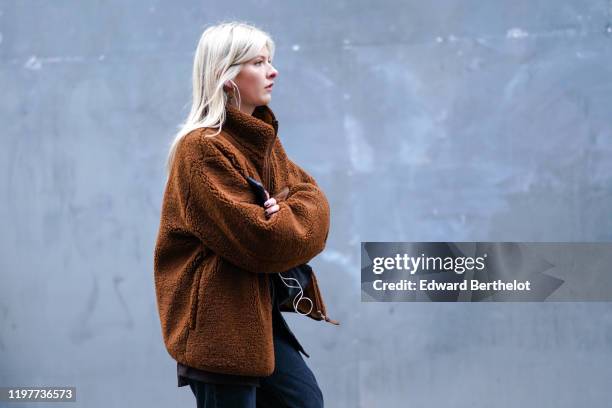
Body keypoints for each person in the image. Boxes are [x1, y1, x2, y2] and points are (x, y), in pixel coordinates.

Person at [153, 21, 339, 408]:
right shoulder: (201, 150)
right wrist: (283, 216)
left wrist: (285, 209)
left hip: (257, 317)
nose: (273, 71)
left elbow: (315, 207)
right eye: (258, 62)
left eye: (270, 60)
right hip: (220, 328)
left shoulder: (260, 139)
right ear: (226, 77)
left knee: (306, 401)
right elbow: (263, 241)